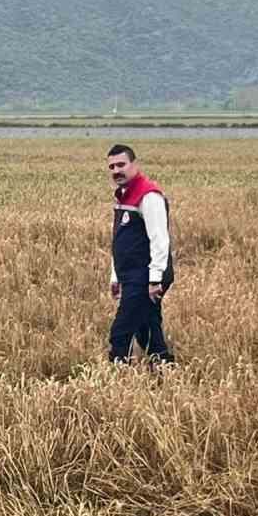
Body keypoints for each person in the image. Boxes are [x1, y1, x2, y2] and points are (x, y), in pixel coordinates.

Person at [106, 144, 174, 364]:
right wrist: (116, 277)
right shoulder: (123, 196)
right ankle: (166, 371)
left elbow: (160, 239)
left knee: (121, 331)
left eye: (121, 164)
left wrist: (155, 279)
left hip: (144, 276)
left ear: (135, 165)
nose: (117, 170)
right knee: (147, 329)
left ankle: (117, 378)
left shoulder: (148, 195)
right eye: (112, 166)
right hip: (131, 275)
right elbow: (121, 241)